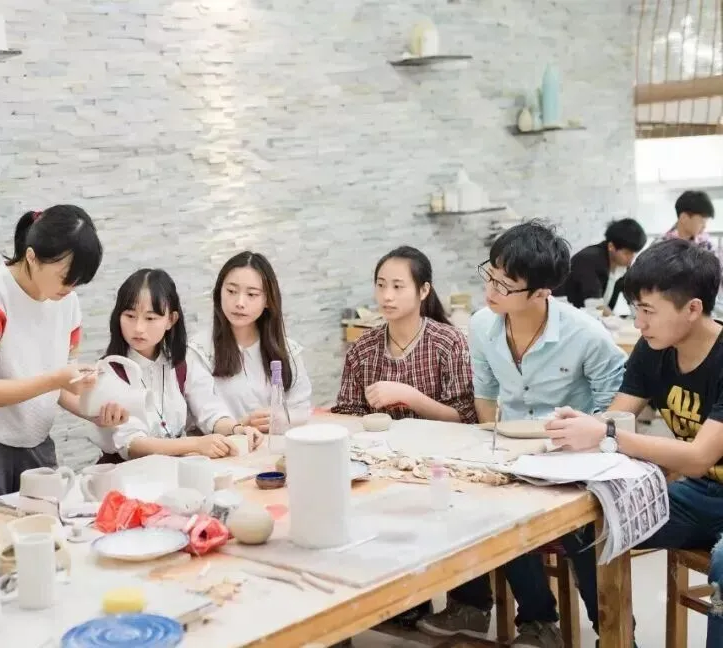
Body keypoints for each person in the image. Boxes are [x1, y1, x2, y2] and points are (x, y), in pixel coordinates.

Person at [417, 220, 627, 648]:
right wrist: (490, 450)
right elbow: (486, 394)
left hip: (573, 457)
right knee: (486, 507)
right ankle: (537, 622)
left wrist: (588, 442)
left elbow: (617, 410)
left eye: (505, 284)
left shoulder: (586, 335)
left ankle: (614, 634)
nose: (490, 289)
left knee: (584, 530)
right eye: (490, 274)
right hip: (512, 454)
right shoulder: (482, 325)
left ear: (540, 292)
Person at [546, 238, 723, 648]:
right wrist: (575, 427)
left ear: (692, 308)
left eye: (648, 311)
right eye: (635, 309)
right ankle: (617, 641)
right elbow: (616, 416)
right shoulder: (653, 348)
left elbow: (698, 457)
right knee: (585, 527)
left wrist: (607, 434)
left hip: (698, 478)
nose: (638, 323)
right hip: (700, 495)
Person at [0, 205, 128, 504]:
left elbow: (62, 386)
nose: (70, 288)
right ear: (31, 257)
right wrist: (57, 379)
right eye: (65, 276)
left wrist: (95, 413)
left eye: (78, 280)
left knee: (46, 522)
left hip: (35, 438)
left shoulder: (68, 302)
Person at [91, 269, 263, 462]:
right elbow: (132, 445)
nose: (138, 328)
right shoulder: (109, 370)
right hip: (127, 474)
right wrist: (195, 444)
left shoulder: (182, 361)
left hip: (177, 469)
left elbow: (208, 409)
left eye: (150, 318)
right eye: (130, 316)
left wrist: (236, 429)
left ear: (171, 320)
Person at [331, 246, 475, 424]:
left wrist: (409, 396)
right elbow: (347, 414)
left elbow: (465, 417)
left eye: (397, 286)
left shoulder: (449, 342)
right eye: (381, 285)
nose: (387, 296)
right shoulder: (363, 348)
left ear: (424, 290)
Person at [188, 252, 313, 433]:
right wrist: (239, 428)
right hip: (227, 446)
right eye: (231, 291)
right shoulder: (199, 350)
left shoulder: (288, 350)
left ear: (268, 300)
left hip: (277, 446)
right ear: (219, 292)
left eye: (252, 294)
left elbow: (302, 409)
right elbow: (207, 412)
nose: (240, 303)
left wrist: (279, 417)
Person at [553, 218, 647, 311]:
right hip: (566, 312)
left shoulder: (622, 265)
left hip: (591, 316)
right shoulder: (589, 259)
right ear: (611, 246)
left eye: (634, 253)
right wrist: (615, 319)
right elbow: (595, 305)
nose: (631, 258)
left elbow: (633, 298)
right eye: (627, 253)